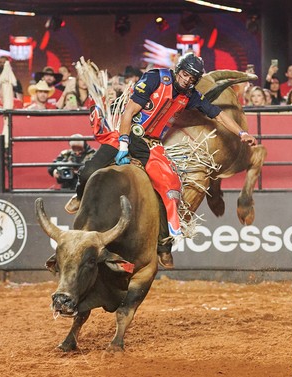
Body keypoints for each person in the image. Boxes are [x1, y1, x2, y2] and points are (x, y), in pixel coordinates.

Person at [66, 53, 257, 269]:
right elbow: (129, 112)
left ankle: (164, 246)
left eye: (192, 78)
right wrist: (123, 144)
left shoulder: (190, 96)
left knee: (167, 189)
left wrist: (241, 133)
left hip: (150, 144)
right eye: (185, 75)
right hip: (126, 134)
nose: (187, 80)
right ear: (179, 71)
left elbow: (218, 115)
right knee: (88, 170)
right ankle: (79, 195)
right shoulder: (154, 79)